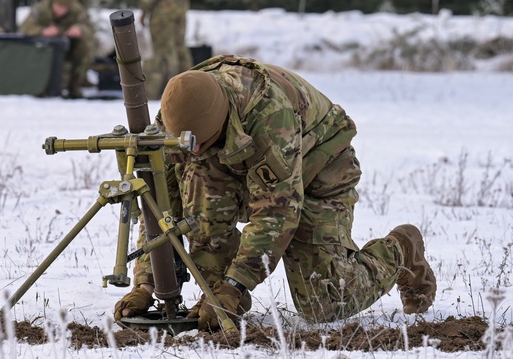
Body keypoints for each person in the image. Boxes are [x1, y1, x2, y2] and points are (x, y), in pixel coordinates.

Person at [114, 55, 437, 330]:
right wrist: (146, 282)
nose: (194, 151)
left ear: (219, 124)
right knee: (199, 190)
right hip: (240, 163)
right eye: (191, 146)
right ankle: (223, 297)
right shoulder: (177, 117)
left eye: (201, 145)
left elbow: (276, 214)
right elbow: (159, 206)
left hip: (318, 170)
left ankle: (401, 250)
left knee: (324, 302)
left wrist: (235, 283)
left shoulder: (269, 116)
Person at [20, 0, 94, 98]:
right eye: (59, 7)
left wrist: (80, 29)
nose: (61, 11)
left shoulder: (77, 10)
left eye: (65, 8)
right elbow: (24, 28)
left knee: (85, 47)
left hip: (69, 45)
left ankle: (74, 87)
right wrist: (42, 31)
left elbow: (89, 29)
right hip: (43, 49)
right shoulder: (41, 9)